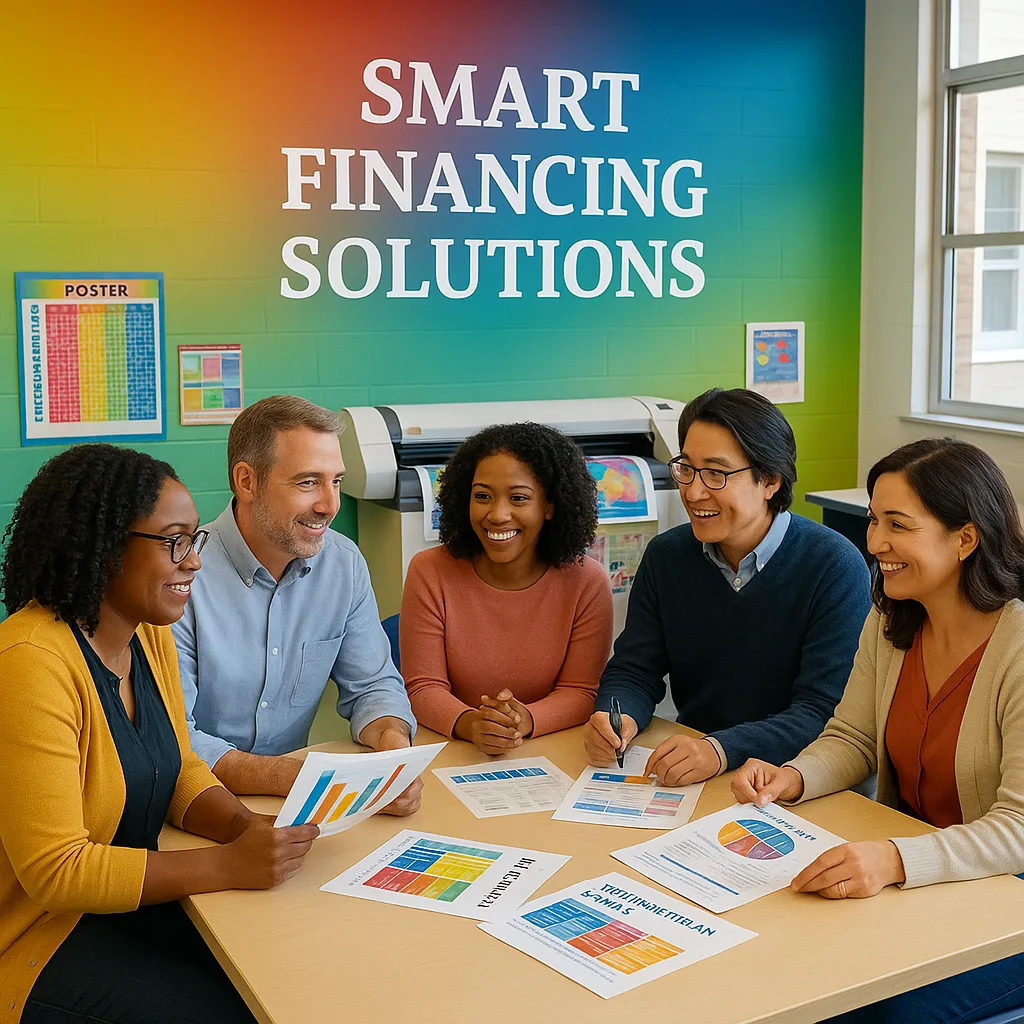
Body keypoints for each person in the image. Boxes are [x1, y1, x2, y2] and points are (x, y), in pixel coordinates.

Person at [0, 444, 318, 1024]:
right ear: (102, 547)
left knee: (287, 976)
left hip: (125, 906)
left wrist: (243, 827)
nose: (194, 561)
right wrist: (228, 866)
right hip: (36, 938)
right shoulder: (29, 661)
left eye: (195, 540)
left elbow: (177, 769)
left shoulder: (147, 635)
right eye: (175, 540)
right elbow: (57, 871)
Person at [731, 437, 1024, 1024]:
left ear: (965, 538)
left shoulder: (1016, 647)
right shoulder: (893, 619)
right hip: (924, 881)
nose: (875, 543)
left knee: (881, 1012)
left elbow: (1018, 829)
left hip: (1006, 905)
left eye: (899, 524)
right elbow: (853, 738)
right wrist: (792, 777)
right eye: (873, 521)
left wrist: (893, 860)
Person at [583, 387, 872, 784]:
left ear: (769, 480)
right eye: (687, 468)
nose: (694, 491)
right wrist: (616, 714)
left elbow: (822, 710)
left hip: (797, 781)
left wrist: (719, 750)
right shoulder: (666, 557)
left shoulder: (834, 565)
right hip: (698, 771)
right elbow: (635, 669)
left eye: (716, 474)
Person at [171, 395, 421, 809]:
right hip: (195, 802)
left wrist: (393, 754)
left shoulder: (343, 564)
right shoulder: (182, 577)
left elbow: (372, 686)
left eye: (336, 481)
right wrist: (314, 779)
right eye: (308, 482)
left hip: (292, 804)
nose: (330, 505)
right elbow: (176, 737)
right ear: (246, 481)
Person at [402, 422, 613, 754]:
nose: (497, 515)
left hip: (552, 751)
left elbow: (581, 691)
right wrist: (473, 725)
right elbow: (422, 687)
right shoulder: (429, 571)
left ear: (549, 506)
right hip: (452, 751)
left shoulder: (588, 582)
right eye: (482, 496)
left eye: (518, 498)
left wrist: (523, 720)